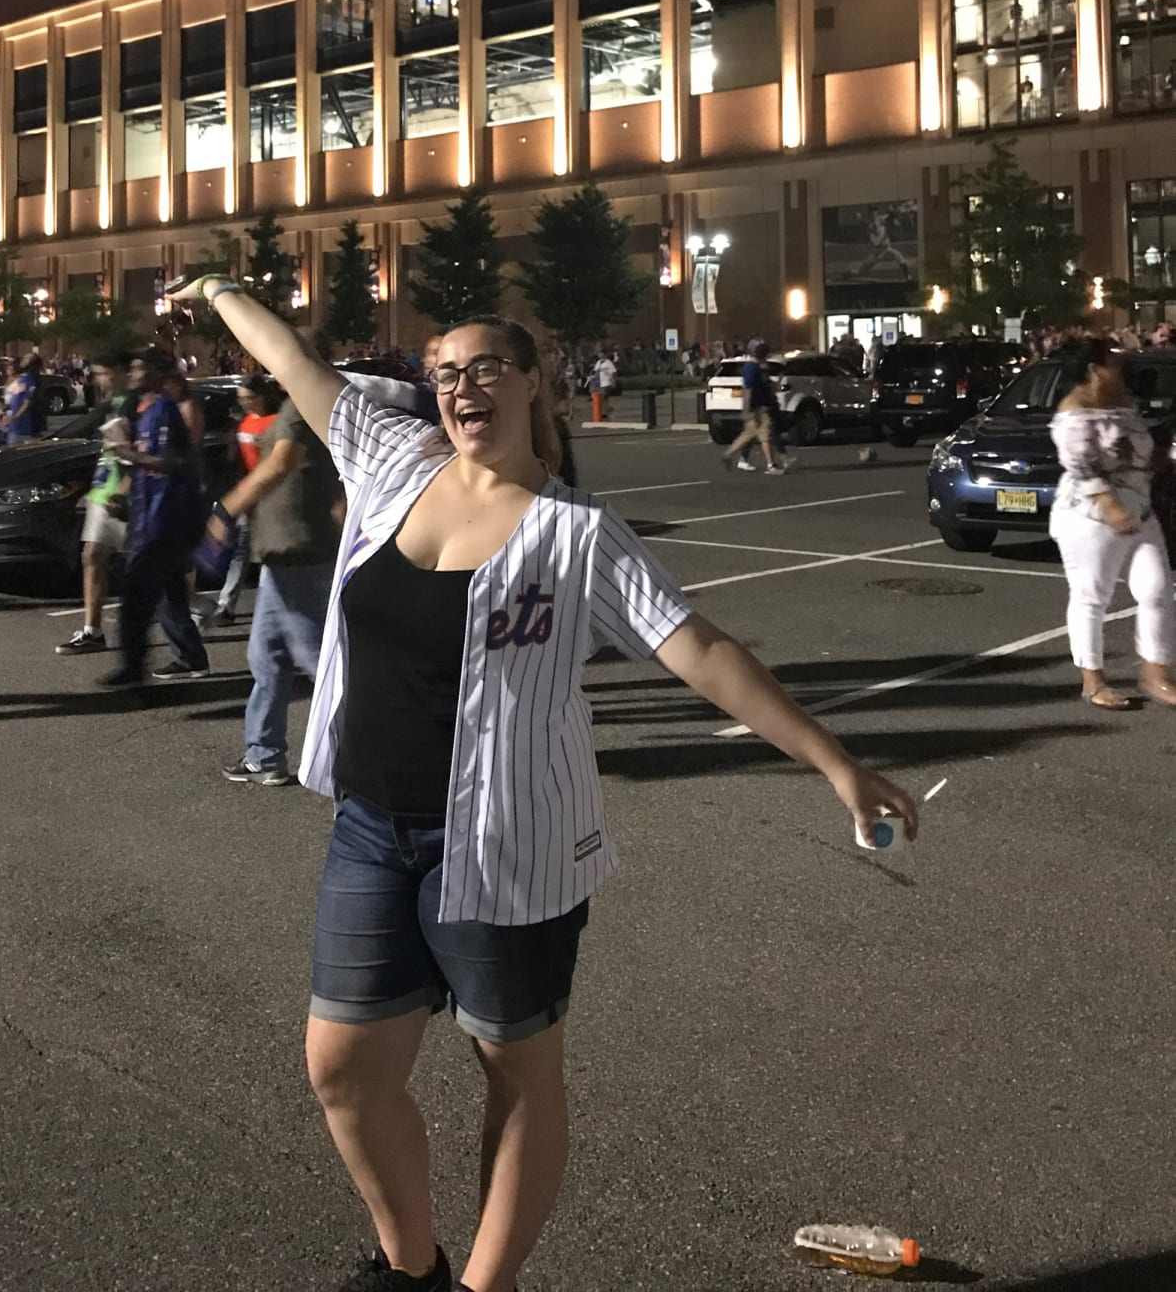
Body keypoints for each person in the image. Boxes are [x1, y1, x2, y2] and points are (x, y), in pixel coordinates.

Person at [169, 272, 915, 1292]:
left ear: (532, 383)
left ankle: (489, 1281)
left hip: (508, 842)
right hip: (371, 827)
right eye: (444, 372)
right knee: (342, 1066)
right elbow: (292, 359)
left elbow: (694, 643)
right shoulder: (392, 458)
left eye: (484, 367)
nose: (461, 386)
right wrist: (218, 288)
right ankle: (412, 1264)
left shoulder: (573, 534)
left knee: (515, 1071)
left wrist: (835, 760)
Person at [217, 378, 342, 788]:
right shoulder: (300, 402)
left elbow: (280, 462)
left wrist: (227, 508)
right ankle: (264, 754)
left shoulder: (303, 403)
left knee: (317, 662)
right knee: (267, 656)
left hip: (299, 549)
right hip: (281, 551)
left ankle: (357, 759)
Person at [1048, 338, 1176, 712]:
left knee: (1157, 589)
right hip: (1089, 517)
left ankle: (1155, 674)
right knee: (1091, 596)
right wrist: (1110, 504)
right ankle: (1093, 681)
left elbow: (1141, 452)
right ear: (1093, 371)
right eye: (1113, 365)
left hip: (1139, 511)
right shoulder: (1073, 413)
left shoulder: (1123, 404)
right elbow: (1082, 466)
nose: (1121, 371)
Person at [97, 350, 210, 687]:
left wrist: (131, 454)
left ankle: (133, 671)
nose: (132, 372)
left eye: (139, 368)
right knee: (170, 597)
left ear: (157, 374)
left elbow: (173, 462)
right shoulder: (146, 413)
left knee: (134, 601)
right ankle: (191, 657)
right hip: (150, 517)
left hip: (165, 523)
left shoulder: (163, 410)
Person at [57, 353, 136, 656]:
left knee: (148, 566)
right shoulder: (110, 405)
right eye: (97, 373)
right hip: (103, 493)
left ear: (121, 372)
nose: (99, 379)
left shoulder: (135, 404)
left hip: (126, 496)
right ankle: (93, 630)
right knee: (91, 556)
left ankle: (192, 606)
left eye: (104, 372)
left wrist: (127, 487)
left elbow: (141, 450)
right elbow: (86, 435)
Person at [207, 373, 281, 631]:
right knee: (240, 551)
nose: (245, 404)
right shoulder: (246, 421)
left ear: (262, 396)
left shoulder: (276, 422)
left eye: (249, 398)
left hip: (269, 497)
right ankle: (226, 603)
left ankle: (273, 605)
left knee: (268, 554)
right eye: (242, 400)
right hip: (247, 492)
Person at [721, 340, 787, 475]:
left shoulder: (758, 367)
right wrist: (746, 408)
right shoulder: (751, 367)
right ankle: (771, 465)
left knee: (749, 435)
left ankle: (728, 454)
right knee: (765, 435)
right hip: (757, 407)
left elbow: (766, 386)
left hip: (759, 406)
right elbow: (747, 389)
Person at [0, 350, 45, 445]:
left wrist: (14, 417)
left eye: (26, 358)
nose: (23, 359)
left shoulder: (31, 378)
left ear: (30, 363)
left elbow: (28, 402)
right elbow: (12, 398)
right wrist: (1, 415)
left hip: (24, 425)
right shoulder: (22, 378)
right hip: (14, 426)